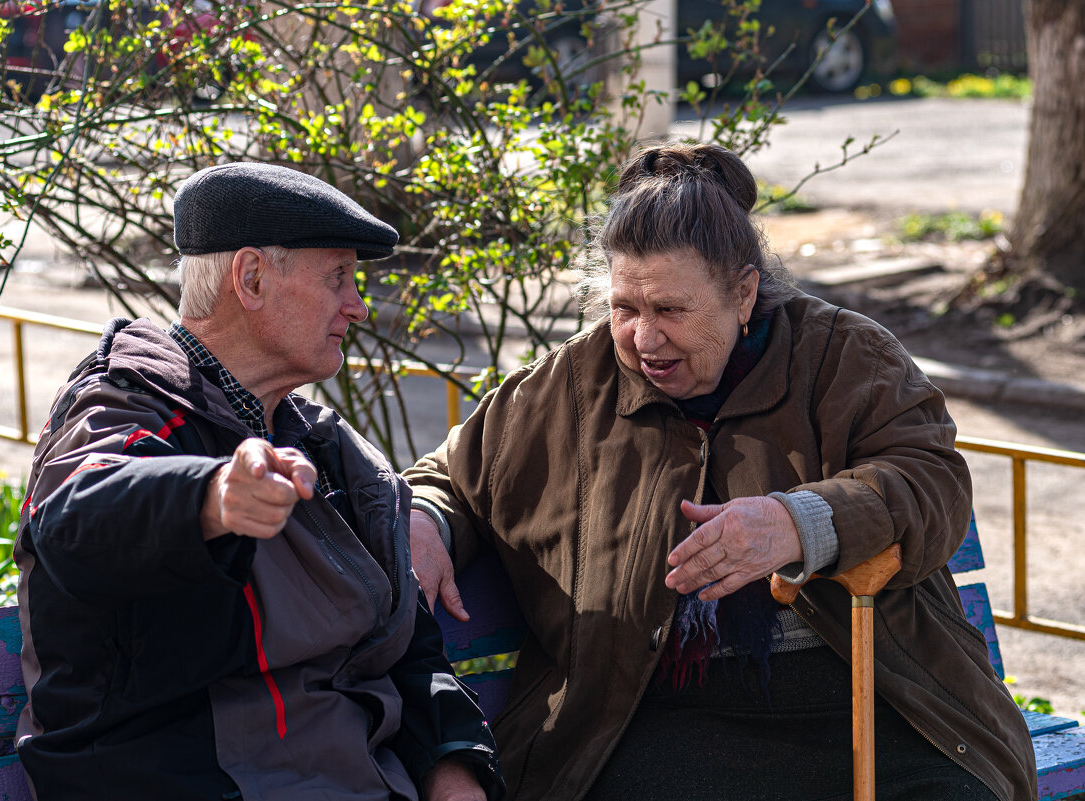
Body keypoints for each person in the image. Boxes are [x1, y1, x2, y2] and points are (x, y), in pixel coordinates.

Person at [403, 143, 1039, 801]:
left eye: (671, 311)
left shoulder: (845, 355)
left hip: (873, 702)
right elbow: (451, 475)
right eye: (626, 307)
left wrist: (799, 522)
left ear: (743, 292)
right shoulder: (570, 385)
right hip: (656, 720)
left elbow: (931, 481)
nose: (645, 338)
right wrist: (426, 519)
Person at [13, 162, 503, 801]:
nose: (356, 308)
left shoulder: (327, 448)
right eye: (337, 279)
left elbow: (406, 652)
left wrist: (454, 771)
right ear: (250, 278)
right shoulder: (123, 408)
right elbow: (76, 518)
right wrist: (210, 499)